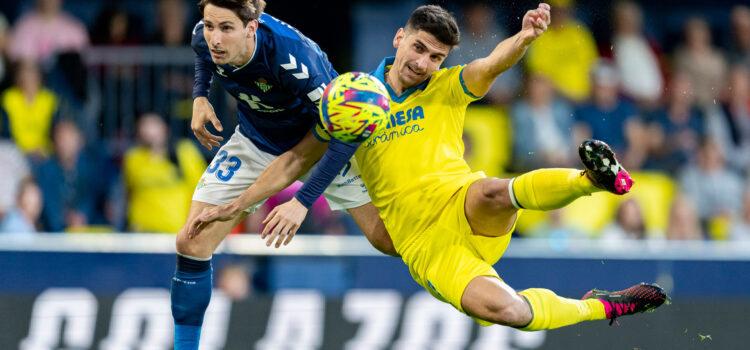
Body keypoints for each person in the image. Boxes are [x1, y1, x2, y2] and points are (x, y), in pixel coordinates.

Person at [262, 3, 668, 330]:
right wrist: (294, 201)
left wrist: (525, 38)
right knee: (509, 312)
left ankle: (592, 180)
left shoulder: (447, 87)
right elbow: (320, 154)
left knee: (493, 190)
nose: (424, 63)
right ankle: (600, 307)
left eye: (436, 56)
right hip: (427, 247)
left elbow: (490, 65)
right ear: (399, 38)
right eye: (419, 48)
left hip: (461, 202)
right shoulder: (357, 99)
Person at [172, 1, 395, 349]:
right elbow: (203, 53)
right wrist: (200, 97)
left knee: (387, 240)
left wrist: (303, 200)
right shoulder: (205, 35)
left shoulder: (296, 60)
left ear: (252, 28)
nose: (214, 38)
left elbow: (340, 134)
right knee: (191, 240)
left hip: (320, 141)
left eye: (226, 28)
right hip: (256, 139)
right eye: (209, 25)